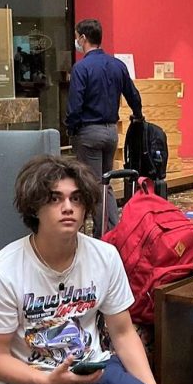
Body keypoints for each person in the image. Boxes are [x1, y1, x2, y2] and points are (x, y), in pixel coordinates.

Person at [0, 154, 175, 384]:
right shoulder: (2, 272)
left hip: (92, 365)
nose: (68, 207)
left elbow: (122, 333)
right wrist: (46, 381)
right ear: (35, 207)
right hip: (28, 381)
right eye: (55, 199)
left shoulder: (104, 256)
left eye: (76, 199)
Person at [64, 18, 143, 234]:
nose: (76, 40)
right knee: (106, 183)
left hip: (89, 133)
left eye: (77, 36)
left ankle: (102, 236)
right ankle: (113, 232)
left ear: (84, 38)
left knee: (95, 186)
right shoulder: (117, 65)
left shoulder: (81, 68)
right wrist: (138, 116)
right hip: (111, 132)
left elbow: (75, 105)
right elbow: (133, 96)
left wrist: (71, 129)